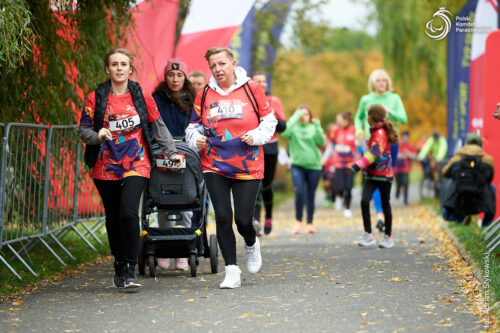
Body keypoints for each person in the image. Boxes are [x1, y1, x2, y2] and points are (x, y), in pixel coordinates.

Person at [79, 48, 184, 290]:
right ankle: (119, 261)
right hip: (105, 165)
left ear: (130, 69)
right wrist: (97, 135)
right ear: (107, 69)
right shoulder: (95, 97)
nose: (118, 68)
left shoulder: (141, 96)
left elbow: (158, 127)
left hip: (137, 162)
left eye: (123, 64)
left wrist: (172, 152)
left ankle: (129, 267)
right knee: (114, 217)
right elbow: (83, 130)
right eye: (114, 64)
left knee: (128, 212)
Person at [185, 47, 277, 289]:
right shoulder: (204, 93)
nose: (218, 69)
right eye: (213, 66)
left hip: (247, 163)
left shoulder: (251, 88)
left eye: (222, 63)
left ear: (233, 63)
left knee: (244, 219)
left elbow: (269, 121)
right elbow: (193, 126)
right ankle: (232, 270)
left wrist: (256, 135)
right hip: (214, 163)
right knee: (223, 217)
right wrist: (195, 139)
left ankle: (251, 242)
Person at [152, 57, 196, 271]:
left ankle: (183, 251)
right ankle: (162, 248)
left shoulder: (191, 99)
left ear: (185, 77)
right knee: (164, 199)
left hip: (187, 153)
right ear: (166, 76)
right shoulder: (157, 98)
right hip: (162, 151)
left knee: (186, 201)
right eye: (171, 75)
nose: (175, 79)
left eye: (179, 75)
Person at [354, 69, 407, 232]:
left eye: (384, 80)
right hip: (371, 144)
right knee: (373, 176)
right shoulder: (366, 99)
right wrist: (359, 131)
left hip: (390, 142)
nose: (381, 83)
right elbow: (358, 117)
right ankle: (379, 214)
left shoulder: (394, 98)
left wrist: (390, 113)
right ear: (372, 83)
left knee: (385, 176)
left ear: (388, 82)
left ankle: (384, 209)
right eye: (378, 80)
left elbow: (404, 119)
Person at [350, 104, 398, 248]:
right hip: (371, 174)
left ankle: (388, 236)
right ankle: (368, 234)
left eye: (367, 116)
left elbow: (375, 153)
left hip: (383, 175)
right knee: (365, 201)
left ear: (371, 117)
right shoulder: (374, 131)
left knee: (385, 204)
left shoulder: (381, 133)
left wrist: (357, 165)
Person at [251, 72, 287, 235]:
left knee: (266, 185)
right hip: (253, 147)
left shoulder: (274, 101)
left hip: (271, 148)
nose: (262, 84)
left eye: (264, 81)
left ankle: (269, 217)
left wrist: (273, 118)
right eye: (258, 81)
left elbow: (282, 128)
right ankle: (256, 220)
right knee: (255, 184)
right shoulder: (248, 101)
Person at [282, 105, 326, 234]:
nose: (303, 117)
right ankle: (298, 221)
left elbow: (322, 142)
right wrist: (295, 116)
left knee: (310, 195)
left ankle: (310, 222)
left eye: (306, 114)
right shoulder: (293, 128)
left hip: (314, 166)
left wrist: (317, 125)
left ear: (310, 116)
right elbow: (284, 131)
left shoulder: (313, 127)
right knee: (299, 191)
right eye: (301, 114)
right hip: (297, 165)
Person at [441, 133, 496, 227]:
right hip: (480, 198)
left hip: (459, 196)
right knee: (492, 187)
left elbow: (445, 173)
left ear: (466, 144)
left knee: (451, 182)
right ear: (480, 145)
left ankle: (458, 219)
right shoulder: (488, 160)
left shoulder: (456, 158)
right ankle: (486, 222)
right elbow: (490, 177)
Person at [330, 112, 358, 218]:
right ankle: (340, 197)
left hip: (351, 163)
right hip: (339, 163)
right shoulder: (336, 131)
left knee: (349, 187)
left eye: (340, 120)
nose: (338, 122)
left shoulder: (354, 130)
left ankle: (347, 208)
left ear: (346, 120)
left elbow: (359, 145)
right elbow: (331, 144)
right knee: (340, 186)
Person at [418, 130, 448, 196]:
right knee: (430, 167)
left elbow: (442, 150)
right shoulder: (431, 140)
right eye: (434, 137)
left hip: (441, 159)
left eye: (436, 137)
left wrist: (439, 158)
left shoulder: (442, 141)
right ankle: (432, 181)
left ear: (438, 137)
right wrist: (421, 156)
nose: (435, 139)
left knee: (440, 171)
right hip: (434, 158)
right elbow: (426, 148)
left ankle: (439, 184)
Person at [394, 131, 416, 205]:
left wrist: (409, 154)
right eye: (404, 137)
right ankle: (397, 191)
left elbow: (414, 156)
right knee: (398, 182)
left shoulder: (410, 146)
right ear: (402, 137)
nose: (405, 139)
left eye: (407, 137)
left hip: (406, 168)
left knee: (406, 183)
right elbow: (393, 154)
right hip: (397, 168)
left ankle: (406, 199)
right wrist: (399, 155)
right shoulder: (397, 145)